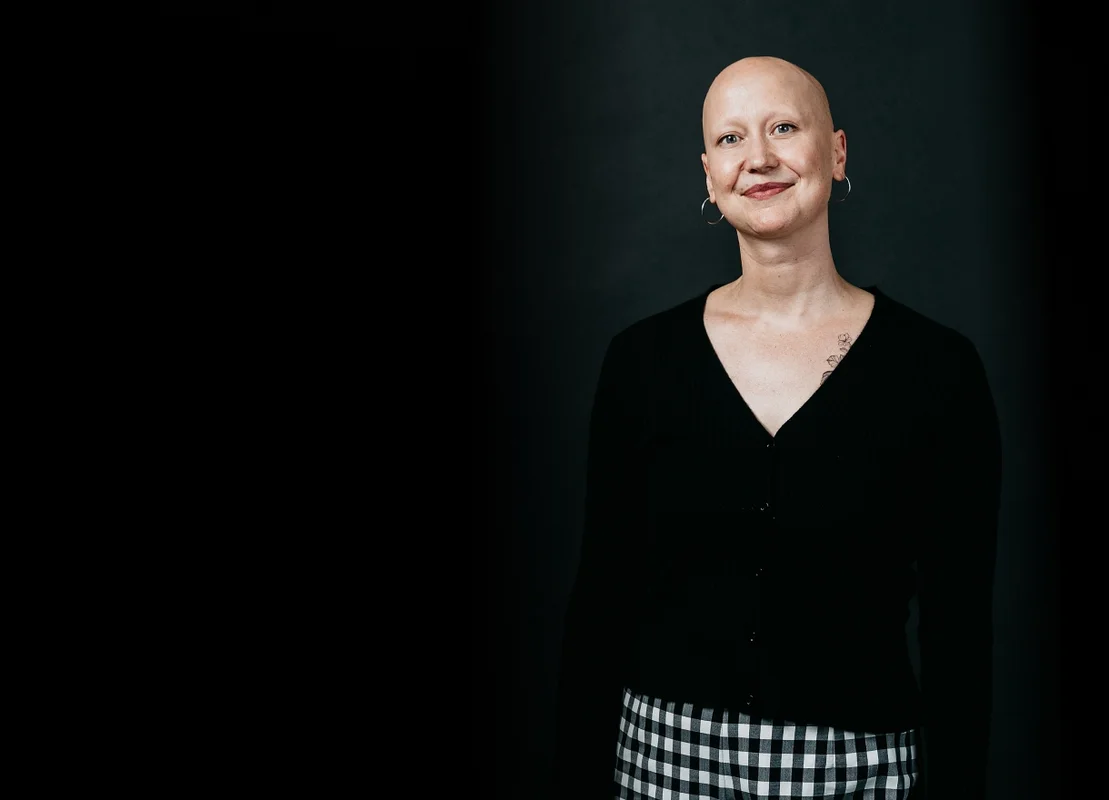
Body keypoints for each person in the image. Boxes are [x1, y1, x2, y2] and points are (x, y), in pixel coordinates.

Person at [552, 56, 1001, 799]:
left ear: (836, 151)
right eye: (729, 140)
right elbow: (601, 597)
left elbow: (959, 630)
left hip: (861, 768)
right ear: (707, 173)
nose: (756, 157)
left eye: (783, 128)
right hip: (663, 761)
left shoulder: (936, 368)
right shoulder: (642, 360)